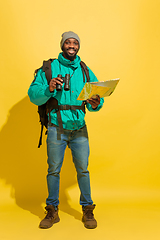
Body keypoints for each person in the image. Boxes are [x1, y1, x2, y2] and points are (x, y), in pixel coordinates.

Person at [28, 31, 104, 229]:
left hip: (79, 128)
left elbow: (98, 97)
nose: (72, 46)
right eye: (68, 42)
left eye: (75, 43)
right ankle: (52, 210)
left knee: (83, 170)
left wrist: (96, 102)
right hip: (56, 127)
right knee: (53, 170)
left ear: (78, 46)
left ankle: (87, 208)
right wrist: (49, 88)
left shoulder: (84, 69)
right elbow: (33, 95)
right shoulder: (49, 68)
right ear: (62, 45)